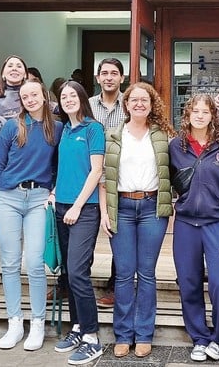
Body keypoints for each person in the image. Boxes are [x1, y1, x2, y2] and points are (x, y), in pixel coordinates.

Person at [0, 79, 62, 351]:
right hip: (8, 196)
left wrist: (53, 191)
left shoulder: (57, 127)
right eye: (25, 96)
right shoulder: (11, 127)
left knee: (34, 262)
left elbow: (58, 166)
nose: (29, 99)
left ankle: (38, 323)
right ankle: (15, 322)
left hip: (39, 197)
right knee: (9, 262)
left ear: (44, 96)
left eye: (34, 95)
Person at [102, 82, 174, 359]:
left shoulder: (162, 136)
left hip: (151, 207)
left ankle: (144, 334)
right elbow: (103, 177)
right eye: (134, 100)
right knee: (123, 273)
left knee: (146, 273)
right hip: (121, 207)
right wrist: (104, 214)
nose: (139, 104)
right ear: (127, 104)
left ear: (151, 103)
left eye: (145, 100)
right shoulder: (113, 135)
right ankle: (123, 334)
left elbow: (173, 172)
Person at [170, 94, 219, 363]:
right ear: (188, 114)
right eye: (195, 111)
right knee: (189, 283)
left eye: (205, 111)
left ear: (213, 116)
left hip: (217, 223)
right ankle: (199, 337)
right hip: (186, 223)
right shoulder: (176, 146)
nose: (199, 115)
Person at [53, 81, 107, 365]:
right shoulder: (63, 130)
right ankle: (76, 327)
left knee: (77, 272)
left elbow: (96, 171)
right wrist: (54, 194)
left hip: (84, 209)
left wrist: (76, 205)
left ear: (83, 99)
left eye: (73, 95)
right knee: (69, 272)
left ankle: (91, 337)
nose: (68, 99)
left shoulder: (92, 129)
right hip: (61, 206)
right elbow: (63, 168)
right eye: (63, 96)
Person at [0, 55, 29, 277]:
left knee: (13, 212)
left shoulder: (31, 95)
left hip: (20, 160)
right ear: (3, 72)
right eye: (10, 65)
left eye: (19, 66)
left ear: (26, 73)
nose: (14, 69)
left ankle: (8, 264)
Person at [88, 57, 127, 308]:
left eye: (114, 73)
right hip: (89, 176)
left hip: (120, 178)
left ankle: (115, 286)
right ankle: (71, 283)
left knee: (118, 234)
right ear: (98, 77)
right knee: (84, 233)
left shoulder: (130, 102)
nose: (109, 77)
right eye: (104, 73)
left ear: (122, 78)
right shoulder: (88, 105)